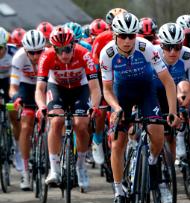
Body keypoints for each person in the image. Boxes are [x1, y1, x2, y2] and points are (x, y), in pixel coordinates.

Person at [99, 13, 179, 203]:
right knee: (117, 143)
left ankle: (151, 163)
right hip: (121, 95)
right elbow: (106, 90)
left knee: (158, 133)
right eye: (123, 36)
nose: (127, 41)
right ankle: (119, 193)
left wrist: (172, 112)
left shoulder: (146, 48)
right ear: (115, 35)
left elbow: (168, 81)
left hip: (146, 91)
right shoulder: (107, 53)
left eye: (131, 36)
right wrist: (116, 108)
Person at [35, 26, 102, 192]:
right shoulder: (46, 56)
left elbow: (95, 88)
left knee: (81, 124)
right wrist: (41, 106)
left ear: (73, 45)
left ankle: (80, 166)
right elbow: (40, 88)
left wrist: (94, 106)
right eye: (59, 50)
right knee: (56, 121)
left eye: (67, 49)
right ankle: (54, 169)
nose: (64, 54)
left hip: (80, 88)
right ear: (53, 49)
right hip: (58, 88)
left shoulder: (84, 54)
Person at [155, 22, 190, 173]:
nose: (173, 52)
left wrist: (185, 104)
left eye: (177, 47)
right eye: (168, 47)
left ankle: (169, 171)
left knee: (170, 136)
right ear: (161, 45)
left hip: (173, 93)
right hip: (154, 92)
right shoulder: (152, 54)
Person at [9, 30, 46, 191]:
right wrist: (16, 98)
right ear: (25, 50)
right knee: (25, 125)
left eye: (39, 51)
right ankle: (25, 171)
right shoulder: (19, 57)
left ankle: (50, 160)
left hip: (43, 86)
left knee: (51, 119)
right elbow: (13, 87)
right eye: (32, 52)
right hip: (26, 87)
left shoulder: (48, 56)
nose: (36, 56)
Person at [91, 8, 128, 165]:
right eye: (113, 26)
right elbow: (93, 66)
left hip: (122, 76)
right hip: (103, 76)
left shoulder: (131, 38)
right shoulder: (101, 39)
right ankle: (97, 140)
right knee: (100, 111)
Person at [0, 27, 19, 170]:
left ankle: (16, 145)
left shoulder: (14, 53)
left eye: (0, 47)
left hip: (10, 82)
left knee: (13, 111)